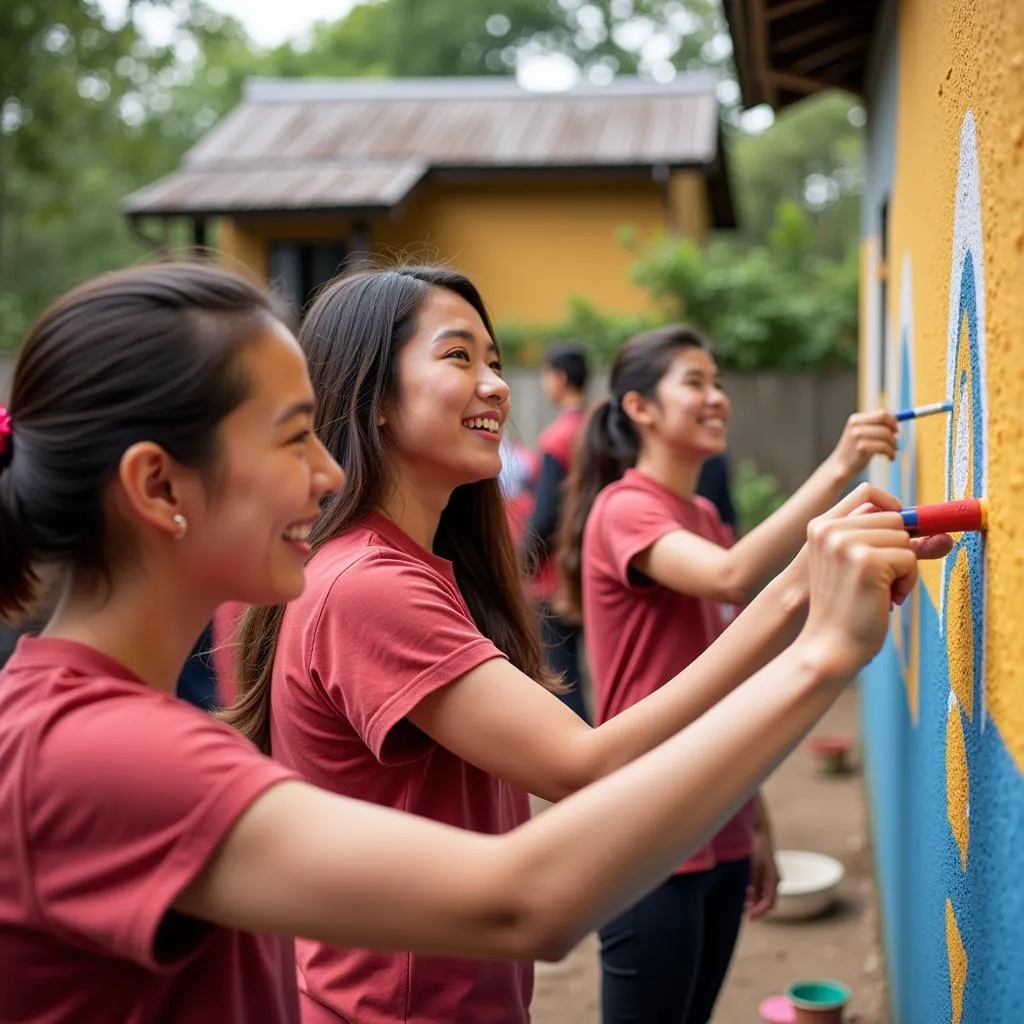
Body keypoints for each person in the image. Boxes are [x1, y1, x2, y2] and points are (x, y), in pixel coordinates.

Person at [0, 262, 948, 1024]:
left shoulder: (106, 724)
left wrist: (800, 602)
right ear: (160, 488)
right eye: (293, 438)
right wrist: (820, 648)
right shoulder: (105, 750)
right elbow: (525, 896)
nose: (326, 470)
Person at [557, 324, 903, 1024]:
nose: (717, 397)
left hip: (718, 819)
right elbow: (734, 576)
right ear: (640, 409)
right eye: (695, 382)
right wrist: (840, 469)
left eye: (718, 383)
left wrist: (754, 818)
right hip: (645, 818)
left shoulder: (705, 514)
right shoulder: (626, 508)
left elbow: (728, 688)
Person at [522, 341, 590, 720]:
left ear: (560, 378)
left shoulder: (557, 438)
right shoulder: (596, 431)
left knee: (561, 676)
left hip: (553, 579)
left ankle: (582, 764)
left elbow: (544, 517)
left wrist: (519, 561)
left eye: (548, 375)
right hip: (587, 570)